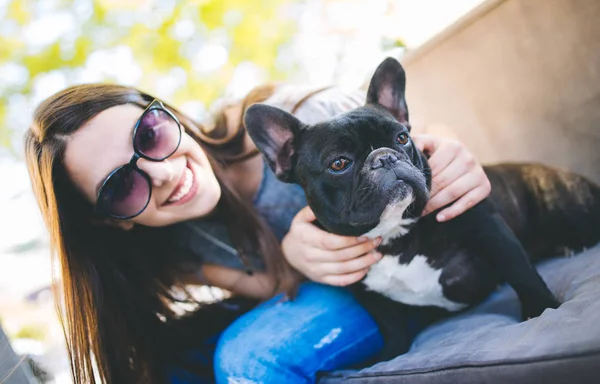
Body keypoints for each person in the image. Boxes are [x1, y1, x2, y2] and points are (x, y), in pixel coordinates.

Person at [25, 81, 491, 384]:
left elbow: (414, 137)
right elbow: (271, 286)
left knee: (248, 359)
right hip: (336, 293)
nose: (161, 173)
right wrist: (296, 259)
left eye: (148, 135)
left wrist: (450, 152)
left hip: (414, 273)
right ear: (110, 220)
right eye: (121, 185)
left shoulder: (299, 121)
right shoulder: (174, 250)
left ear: (167, 113)